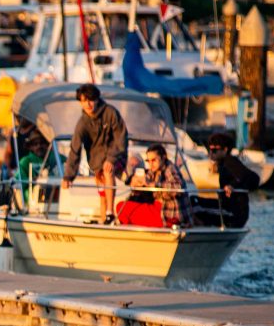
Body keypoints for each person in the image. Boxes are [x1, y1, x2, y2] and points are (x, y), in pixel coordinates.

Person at [62, 83, 129, 225]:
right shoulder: (82, 124)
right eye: (83, 100)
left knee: (107, 171)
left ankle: (110, 213)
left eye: (90, 100)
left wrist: (111, 158)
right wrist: (68, 176)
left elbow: (121, 138)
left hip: (116, 156)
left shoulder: (110, 113)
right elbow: (75, 149)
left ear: (97, 99)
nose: (88, 104)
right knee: (102, 193)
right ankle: (105, 221)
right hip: (97, 163)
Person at [193, 132, 258, 229]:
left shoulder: (230, 162)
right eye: (209, 150)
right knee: (193, 200)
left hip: (233, 213)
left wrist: (232, 185)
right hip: (226, 207)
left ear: (225, 150)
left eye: (214, 150)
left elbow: (253, 178)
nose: (211, 153)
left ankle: (200, 231)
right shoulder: (223, 164)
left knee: (195, 207)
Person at [117, 144, 192, 228]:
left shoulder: (169, 168)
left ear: (163, 158)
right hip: (157, 209)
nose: (150, 164)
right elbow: (146, 180)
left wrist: (154, 185)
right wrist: (136, 184)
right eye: (148, 161)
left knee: (123, 209)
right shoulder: (153, 170)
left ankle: (130, 229)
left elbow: (178, 187)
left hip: (169, 216)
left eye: (153, 160)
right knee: (121, 206)